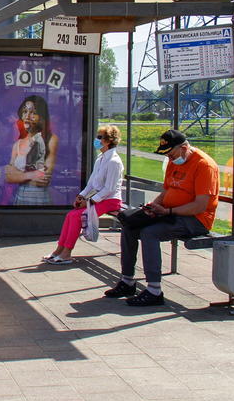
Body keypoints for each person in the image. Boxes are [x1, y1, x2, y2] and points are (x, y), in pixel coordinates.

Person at [105, 129, 219, 307]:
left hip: (195, 220)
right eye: (168, 156)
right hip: (169, 212)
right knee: (130, 226)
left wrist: (168, 211)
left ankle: (154, 290)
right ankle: (127, 281)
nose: (171, 159)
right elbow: (167, 190)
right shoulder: (174, 161)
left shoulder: (204, 165)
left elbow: (200, 206)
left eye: (172, 154)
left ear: (184, 147)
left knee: (150, 233)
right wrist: (152, 207)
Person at [43, 125, 124, 265]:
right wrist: (81, 196)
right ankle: (59, 249)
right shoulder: (101, 158)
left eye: (100, 137)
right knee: (70, 215)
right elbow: (92, 182)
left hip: (111, 200)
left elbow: (109, 189)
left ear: (108, 141)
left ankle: (67, 253)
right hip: (99, 198)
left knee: (77, 216)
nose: (96, 140)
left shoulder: (114, 162)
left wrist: (89, 202)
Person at [4, 95, 58, 205]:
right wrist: (30, 176)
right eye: (25, 111)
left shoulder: (51, 139)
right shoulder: (17, 144)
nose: (27, 116)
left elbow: (43, 179)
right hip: (19, 199)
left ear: (42, 116)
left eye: (33, 112)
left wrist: (18, 175)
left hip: (39, 200)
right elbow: (8, 176)